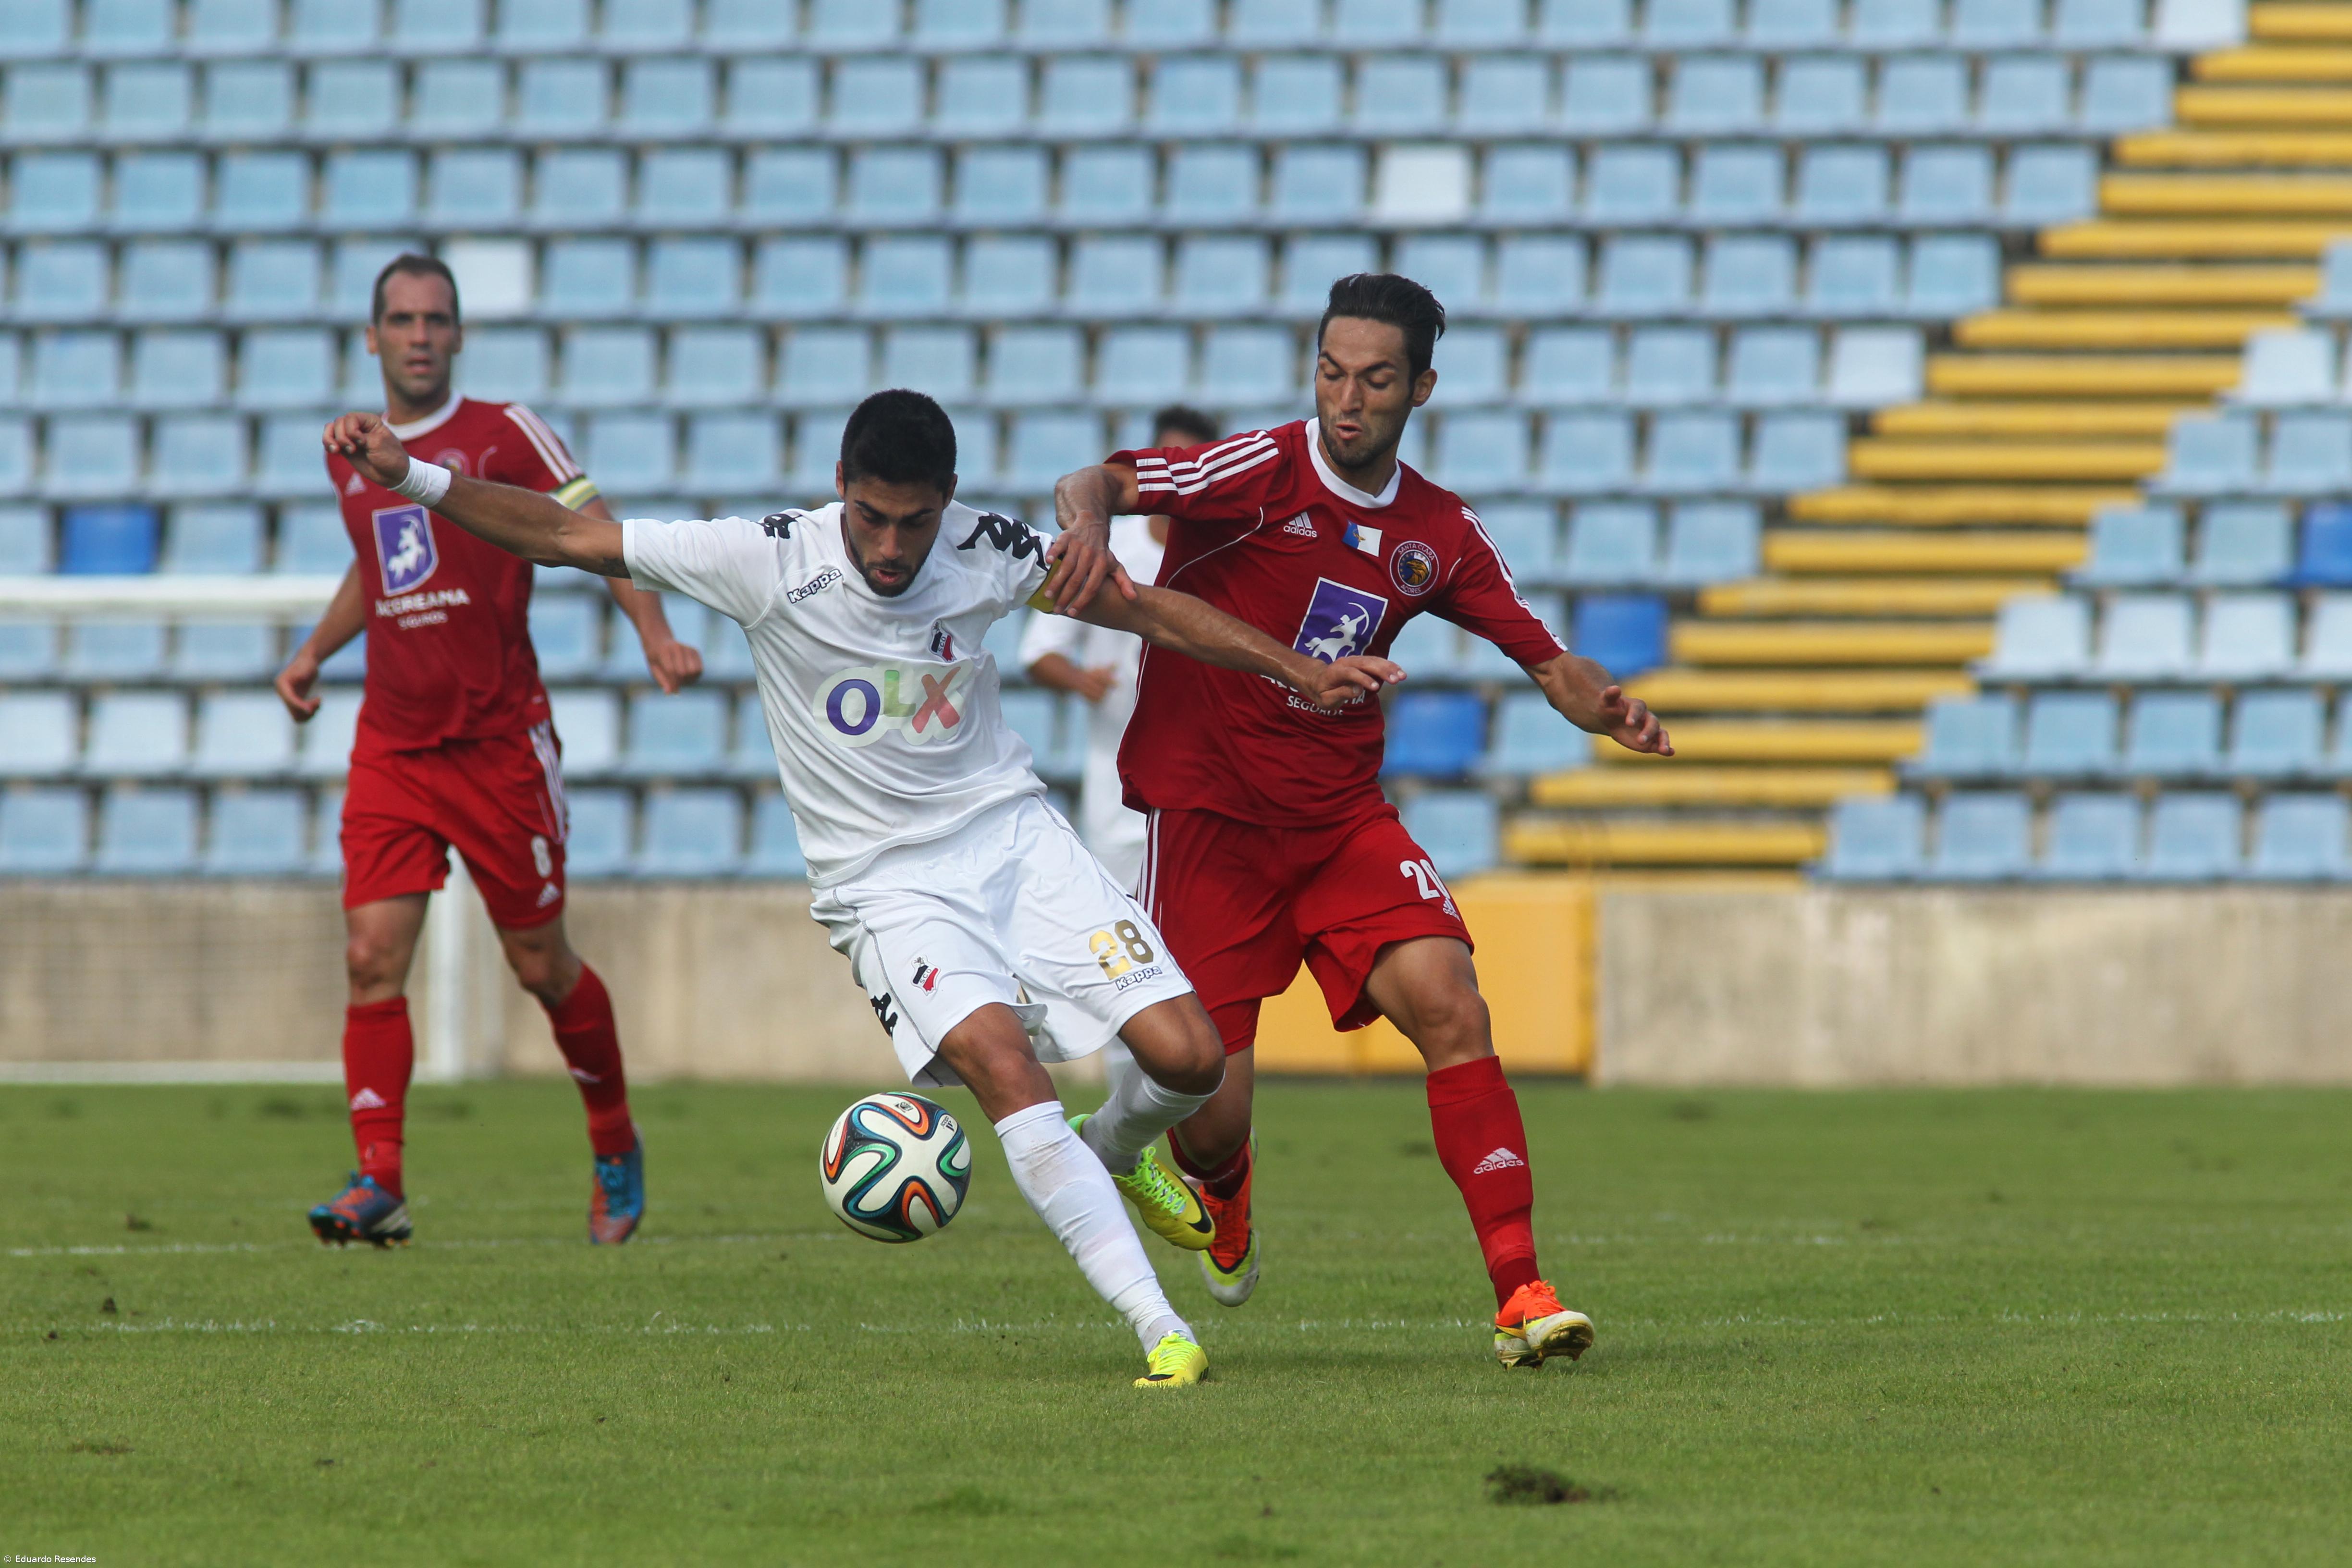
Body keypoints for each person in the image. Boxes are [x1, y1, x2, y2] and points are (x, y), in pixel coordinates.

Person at [318, 388, 1401, 1390]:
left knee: (1191, 1059)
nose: (892, 548)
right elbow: (564, 534)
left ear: (949, 504)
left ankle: (1112, 1149)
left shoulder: (988, 551)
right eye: (875, 518)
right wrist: (412, 475)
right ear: (842, 484)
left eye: (915, 522)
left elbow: (1148, 612)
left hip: (1014, 839)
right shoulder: (766, 559)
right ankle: (1162, 1328)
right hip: (884, 885)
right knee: (1004, 1068)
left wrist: (1301, 673)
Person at [1051, 273, 1676, 1370]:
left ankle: (1522, 1290)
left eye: (1375, 379)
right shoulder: (1257, 469)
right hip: (1210, 828)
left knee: (1451, 1004)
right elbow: (1090, 479)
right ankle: (1227, 1187)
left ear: (1421, 387)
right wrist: (1092, 532)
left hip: (1340, 822)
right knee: (1211, 1110)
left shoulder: (1437, 533)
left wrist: (1595, 700)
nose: (1347, 398)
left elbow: (1541, 652)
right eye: (1331, 372)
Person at [277, 254, 702, 1250]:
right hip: (393, 743)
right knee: (371, 958)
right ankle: (378, 1183)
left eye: (436, 319)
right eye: (401, 319)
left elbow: (598, 531)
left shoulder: (505, 431)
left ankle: (613, 1138)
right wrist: (312, 652)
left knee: (539, 965)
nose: (420, 335)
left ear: (458, 336)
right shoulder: (352, 452)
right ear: (371, 338)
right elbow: (380, 564)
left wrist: (651, 632)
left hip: (500, 745)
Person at [1018, 405, 1219, 891]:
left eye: (1188, 463)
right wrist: (1081, 680)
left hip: (1206, 790)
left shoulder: (1225, 555)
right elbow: (1038, 655)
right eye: (1166, 460)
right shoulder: (1101, 548)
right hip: (1118, 797)